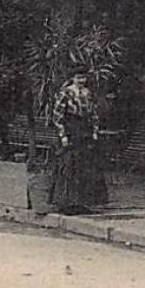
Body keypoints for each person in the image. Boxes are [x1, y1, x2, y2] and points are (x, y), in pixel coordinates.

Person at [48, 67, 108, 214]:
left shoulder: (88, 94)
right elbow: (57, 117)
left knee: (85, 166)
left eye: (83, 77)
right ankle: (66, 204)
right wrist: (62, 136)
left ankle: (83, 203)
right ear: (72, 78)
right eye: (78, 77)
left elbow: (93, 114)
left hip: (84, 132)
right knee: (69, 165)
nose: (81, 81)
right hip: (71, 131)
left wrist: (94, 131)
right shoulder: (65, 93)